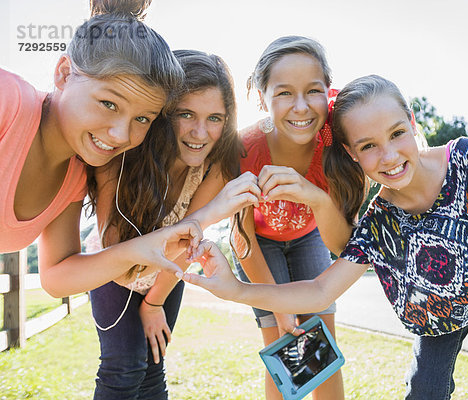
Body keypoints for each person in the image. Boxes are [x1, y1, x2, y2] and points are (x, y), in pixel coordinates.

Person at [180, 75, 468, 400]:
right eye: (369, 146)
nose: (388, 156)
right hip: (439, 314)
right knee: (424, 393)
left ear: (412, 120)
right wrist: (235, 289)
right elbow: (320, 290)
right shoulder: (377, 223)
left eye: (396, 134)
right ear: (352, 154)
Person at [89, 49, 260, 399]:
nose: (201, 132)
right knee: (124, 367)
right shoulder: (124, 155)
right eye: (186, 114)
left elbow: (189, 244)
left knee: (153, 370)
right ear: (165, 113)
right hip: (110, 269)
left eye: (215, 118)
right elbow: (120, 260)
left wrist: (154, 303)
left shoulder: (216, 166)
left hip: (169, 274)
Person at [0, 0, 202, 297]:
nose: (121, 134)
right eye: (109, 104)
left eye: (142, 118)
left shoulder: (75, 176)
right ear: (65, 73)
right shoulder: (8, 101)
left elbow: (57, 276)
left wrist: (140, 248)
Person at [231, 36, 349, 400]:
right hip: (259, 245)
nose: (300, 107)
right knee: (282, 344)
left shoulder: (337, 143)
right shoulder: (244, 148)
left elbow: (344, 244)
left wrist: (316, 198)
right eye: (283, 93)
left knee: (321, 342)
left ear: (327, 91)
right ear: (261, 96)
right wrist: (279, 306)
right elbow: (242, 240)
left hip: (310, 237)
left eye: (313, 91)